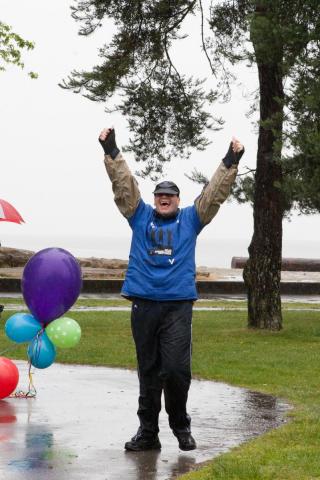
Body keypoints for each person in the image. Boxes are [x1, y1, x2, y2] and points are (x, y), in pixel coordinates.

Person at [98, 127, 244, 452]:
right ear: (154, 200)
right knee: (148, 371)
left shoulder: (191, 219)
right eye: (160, 195)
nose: (165, 198)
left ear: (178, 200)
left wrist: (231, 159)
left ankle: (181, 427)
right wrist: (111, 149)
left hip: (178, 307)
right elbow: (124, 185)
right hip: (143, 306)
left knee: (176, 370)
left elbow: (214, 194)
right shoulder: (140, 216)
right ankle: (147, 433)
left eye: (171, 195)